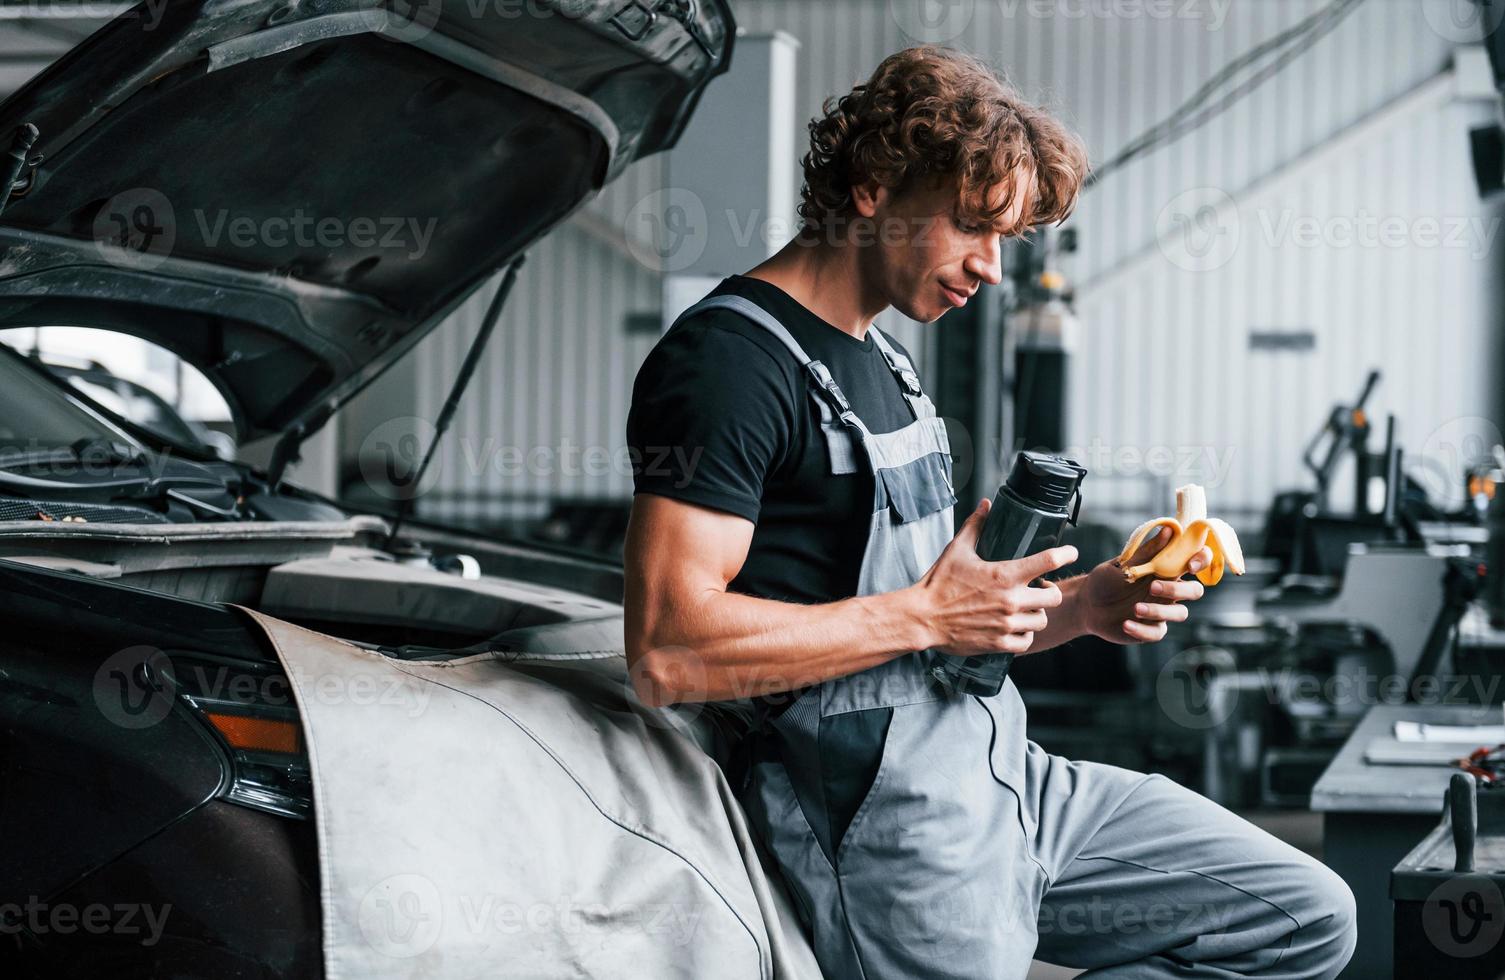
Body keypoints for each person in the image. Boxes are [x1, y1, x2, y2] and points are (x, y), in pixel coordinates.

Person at [623, 45, 1356, 980]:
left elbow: (944, 637)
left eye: (1005, 237)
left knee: (1304, 916)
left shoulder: (883, 358)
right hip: (884, 826)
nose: (993, 268)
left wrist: (1086, 606)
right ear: (874, 186)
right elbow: (667, 649)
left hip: (1004, 775)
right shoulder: (731, 365)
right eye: (974, 226)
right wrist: (925, 614)